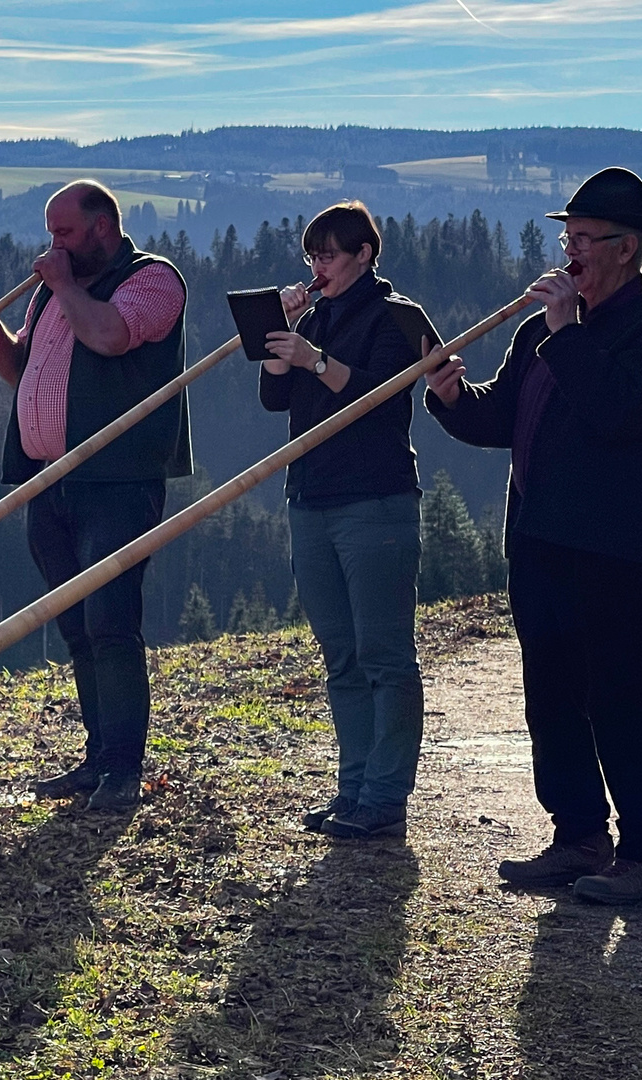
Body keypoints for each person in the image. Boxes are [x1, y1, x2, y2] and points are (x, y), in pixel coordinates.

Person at [422, 167, 642, 905]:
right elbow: (499, 421)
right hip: (539, 539)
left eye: (584, 238)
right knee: (550, 693)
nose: (569, 250)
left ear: (627, 250)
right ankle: (577, 836)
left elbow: (618, 414)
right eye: (566, 235)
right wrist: (451, 399)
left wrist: (567, 334)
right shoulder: (538, 332)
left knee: (619, 693)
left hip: (614, 545)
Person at [0, 179, 191, 811]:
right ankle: (97, 761)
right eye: (50, 233)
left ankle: (125, 769)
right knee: (76, 628)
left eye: (63, 232)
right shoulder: (50, 293)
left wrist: (62, 285)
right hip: (50, 481)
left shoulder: (152, 279)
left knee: (110, 622)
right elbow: (23, 372)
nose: (52, 245)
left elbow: (111, 337)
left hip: (116, 481)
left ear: (101, 228)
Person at [258, 201, 437, 840]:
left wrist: (313, 359)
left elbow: (381, 398)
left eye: (328, 254)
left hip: (375, 502)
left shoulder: (399, 317)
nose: (318, 267)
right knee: (341, 656)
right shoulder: (317, 316)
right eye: (311, 256)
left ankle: (386, 797)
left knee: (384, 653)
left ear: (364, 254)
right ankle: (353, 788)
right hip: (309, 500)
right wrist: (280, 337)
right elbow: (274, 397)